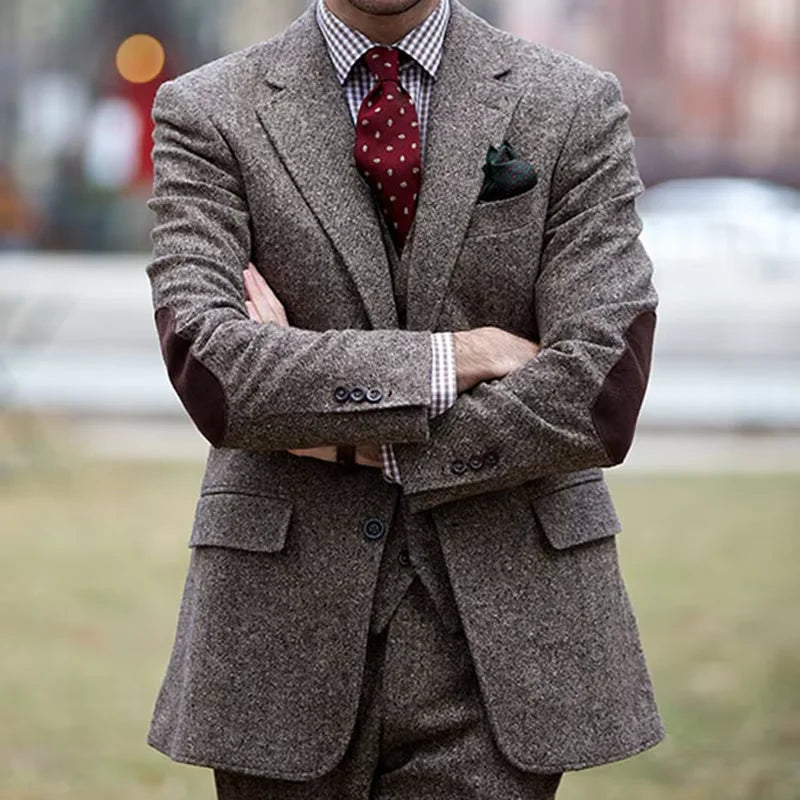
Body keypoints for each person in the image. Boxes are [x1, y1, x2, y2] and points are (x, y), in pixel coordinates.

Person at [144, 0, 664, 797]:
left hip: (509, 634)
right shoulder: (206, 110)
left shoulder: (574, 103)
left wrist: (351, 434)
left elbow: (602, 388)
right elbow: (219, 376)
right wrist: (463, 356)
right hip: (277, 632)